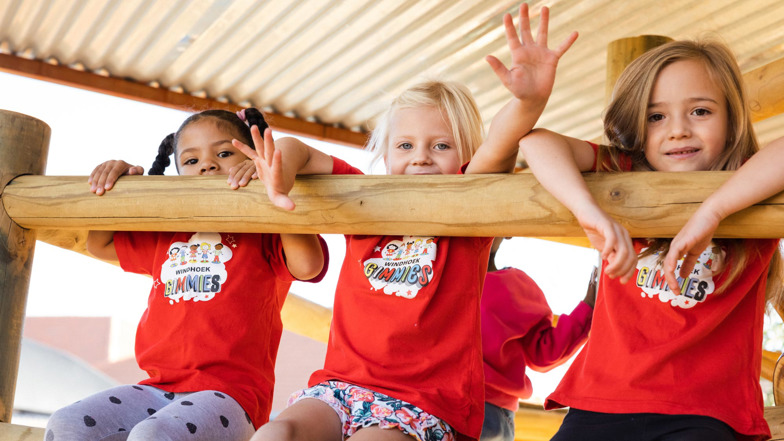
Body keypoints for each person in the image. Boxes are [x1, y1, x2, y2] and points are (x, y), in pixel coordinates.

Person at [234, 5, 577, 440]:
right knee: (275, 434)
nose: (420, 156)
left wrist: (528, 101)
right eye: (406, 144)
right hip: (342, 387)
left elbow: (502, 141)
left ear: (465, 156)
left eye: (440, 145)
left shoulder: (468, 211)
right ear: (386, 153)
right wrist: (279, 172)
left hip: (424, 401)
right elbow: (297, 149)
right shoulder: (363, 200)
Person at [519, 39, 784, 441]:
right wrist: (588, 209)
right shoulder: (623, 172)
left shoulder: (753, 183)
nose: (678, 130)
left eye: (701, 111)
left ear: (732, 120)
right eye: (656, 117)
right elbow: (535, 143)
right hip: (601, 403)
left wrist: (714, 211)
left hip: (706, 415)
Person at [44, 109, 328, 441]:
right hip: (156, 388)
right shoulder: (168, 232)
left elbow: (308, 265)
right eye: (191, 161)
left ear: (255, 158)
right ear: (178, 174)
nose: (207, 165)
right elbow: (100, 243)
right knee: (68, 423)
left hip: (230, 399)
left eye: (223, 153)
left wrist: (277, 192)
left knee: (154, 435)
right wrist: (122, 185)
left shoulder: (265, 230)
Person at [480, 237, 596, 441]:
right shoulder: (431, 280)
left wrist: (587, 306)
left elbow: (544, 352)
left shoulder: (516, 286)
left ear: (507, 232)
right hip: (433, 402)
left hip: (489, 409)